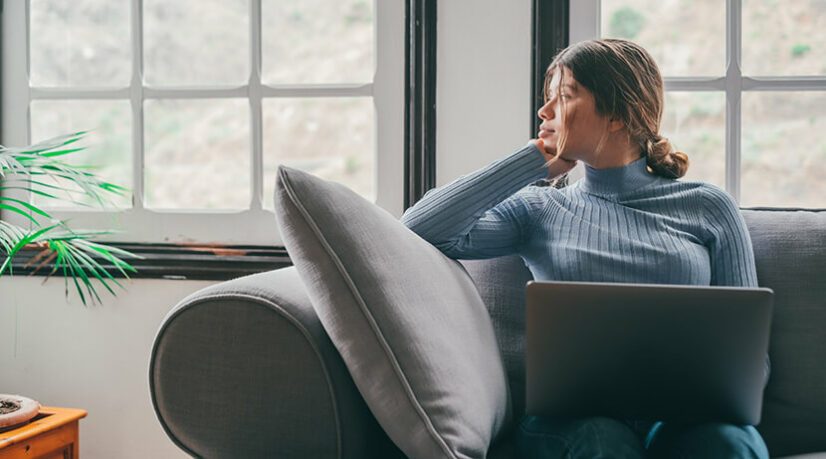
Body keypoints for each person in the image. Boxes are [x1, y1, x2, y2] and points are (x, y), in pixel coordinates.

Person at [400, 38, 770, 458]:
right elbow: (418, 227)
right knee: (602, 442)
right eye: (548, 98)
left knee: (727, 443)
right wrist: (531, 162)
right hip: (572, 423)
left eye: (564, 96)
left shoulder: (708, 206)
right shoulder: (539, 208)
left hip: (681, 420)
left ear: (616, 115)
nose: (544, 111)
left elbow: (751, 362)